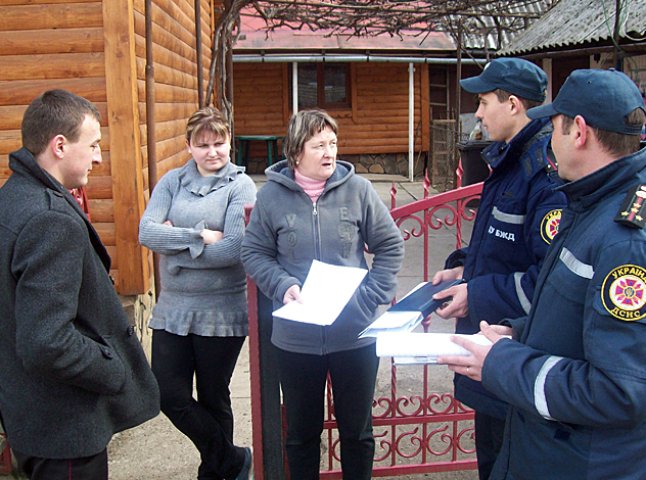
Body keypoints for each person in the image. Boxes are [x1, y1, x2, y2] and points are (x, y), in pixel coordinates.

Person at [440, 68, 646, 479]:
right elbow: (569, 310)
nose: (549, 139)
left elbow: (620, 392)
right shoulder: (590, 201)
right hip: (551, 449)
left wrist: (504, 363)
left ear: (579, 132)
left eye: (553, 127)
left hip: (580, 461)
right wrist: (519, 333)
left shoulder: (625, 240)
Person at [0, 89, 160, 479]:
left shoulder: (13, 196)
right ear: (59, 145)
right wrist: (113, 368)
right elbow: (47, 341)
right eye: (92, 145)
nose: (98, 157)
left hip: (29, 414)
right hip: (63, 426)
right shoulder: (48, 219)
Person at [240, 109, 404, 479]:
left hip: (355, 335)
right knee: (300, 435)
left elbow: (391, 245)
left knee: (358, 434)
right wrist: (282, 285)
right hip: (296, 339)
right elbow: (254, 253)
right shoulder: (271, 199)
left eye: (333, 143)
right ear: (296, 152)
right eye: (319, 146)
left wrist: (368, 298)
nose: (329, 152)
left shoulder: (359, 191)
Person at [429, 57, 567, 479]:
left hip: (516, 355)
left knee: (507, 464)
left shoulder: (543, 173)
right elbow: (500, 247)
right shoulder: (510, 161)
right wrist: (464, 271)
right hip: (493, 355)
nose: (479, 113)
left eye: (485, 101)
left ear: (512, 105)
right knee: (491, 457)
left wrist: (477, 293)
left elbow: (547, 278)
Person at [139, 106, 256, 480]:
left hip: (222, 309)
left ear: (229, 143)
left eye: (219, 143)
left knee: (213, 395)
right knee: (167, 395)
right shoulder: (172, 182)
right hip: (173, 308)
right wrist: (199, 236)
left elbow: (234, 249)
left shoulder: (241, 185)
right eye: (202, 144)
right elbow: (146, 233)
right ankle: (233, 459)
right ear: (188, 145)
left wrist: (174, 252)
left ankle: (215, 472)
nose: (212, 152)